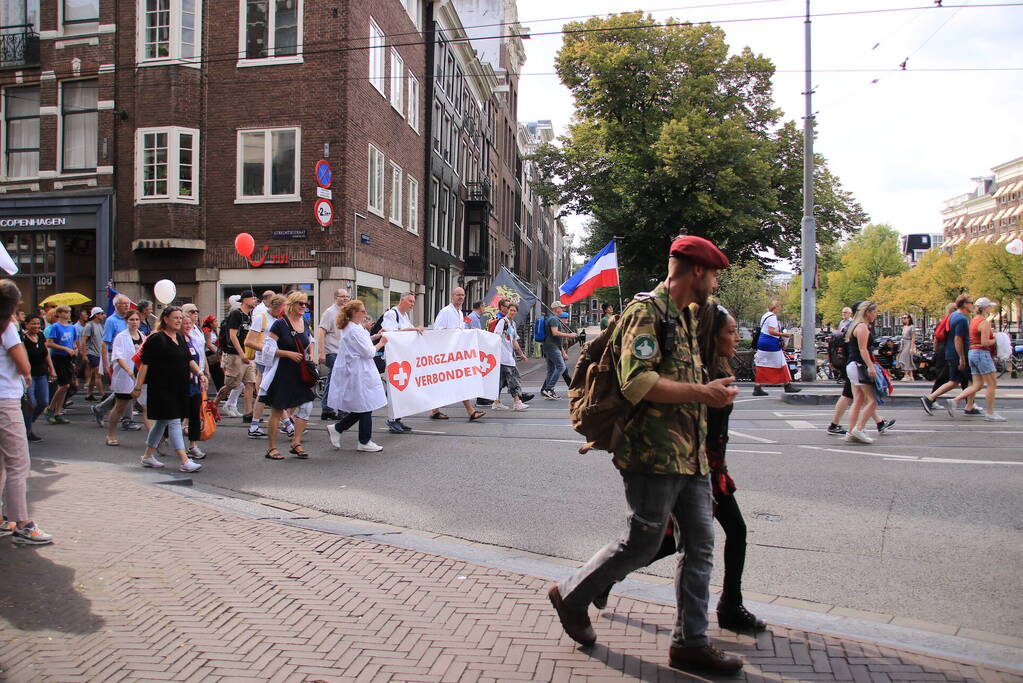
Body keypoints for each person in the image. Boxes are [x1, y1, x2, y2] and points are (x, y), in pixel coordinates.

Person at [547, 236, 743, 673]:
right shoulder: (646, 314)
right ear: (696, 271)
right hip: (651, 453)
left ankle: (690, 643)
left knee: (701, 546)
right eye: (712, 274)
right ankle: (572, 594)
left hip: (688, 455)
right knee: (642, 542)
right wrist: (703, 393)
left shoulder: (689, 317)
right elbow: (637, 383)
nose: (714, 283)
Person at [0, 279, 53, 545]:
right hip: (6, 399)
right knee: (18, 463)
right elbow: (23, 364)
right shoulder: (7, 328)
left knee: (1, 462)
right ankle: (21, 522)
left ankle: (1, 519)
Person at [132, 306, 203, 472]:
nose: (179, 320)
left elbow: (188, 359)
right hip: (161, 387)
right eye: (175, 318)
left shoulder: (179, 336)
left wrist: (200, 373)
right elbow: (145, 364)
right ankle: (184, 461)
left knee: (162, 422)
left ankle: (148, 456)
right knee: (173, 421)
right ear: (165, 319)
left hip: (179, 386)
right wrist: (137, 387)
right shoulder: (156, 338)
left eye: (180, 318)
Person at [259, 291, 317, 460]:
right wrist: (287, 353)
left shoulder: (304, 323)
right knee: (278, 409)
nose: (304, 307)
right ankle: (271, 448)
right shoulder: (279, 324)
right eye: (301, 303)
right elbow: (267, 349)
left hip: (300, 372)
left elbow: (310, 341)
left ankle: (296, 442)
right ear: (292, 304)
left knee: (306, 406)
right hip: (282, 371)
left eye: (306, 304)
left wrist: (310, 354)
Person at [327, 299, 387, 452]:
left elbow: (364, 341)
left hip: (359, 370)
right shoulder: (353, 330)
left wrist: (376, 336)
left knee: (364, 406)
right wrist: (382, 343)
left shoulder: (353, 326)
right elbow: (368, 352)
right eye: (362, 311)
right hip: (358, 372)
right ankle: (363, 440)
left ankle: (339, 428)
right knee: (366, 405)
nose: (365, 313)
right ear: (354, 313)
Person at [431, 287, 485, 422]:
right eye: (458, 295)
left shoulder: (460, 313)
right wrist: (452, 332)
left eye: (462, 295)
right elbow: (437, 330)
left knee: (450, 381)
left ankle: (435, 410)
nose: (460, 297)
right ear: (452, 296)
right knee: (457, 380)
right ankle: (470, 411)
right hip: (446, 353)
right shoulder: (445, 312)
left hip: (456, 353)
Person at [948, 297, 1005, 422]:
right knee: (992, 384)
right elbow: (985, 342)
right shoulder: (984, 322)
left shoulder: (973, 320)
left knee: (977, 384)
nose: (991, 308)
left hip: (972, 353)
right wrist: (997, 340)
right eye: (989, 306)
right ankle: (990, 413)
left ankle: (954, 401)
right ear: (985, 308)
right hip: (981, 354)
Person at [93, 295, 142, 431]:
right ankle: (126, 420)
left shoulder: (136, 326)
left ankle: (100, 408)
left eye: (128, 303)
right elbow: (105, 343)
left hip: (132, 359)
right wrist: (106, 363)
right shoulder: (111, 321)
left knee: (125, 391)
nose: (127, 306)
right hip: (116, 356)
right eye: (123, 304)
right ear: (116, 305)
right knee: (125, 390)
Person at [921, 295, 974, 416]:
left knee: (955, 381)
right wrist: (962, 357)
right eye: (971, 303)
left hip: (950, 352)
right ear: (965, 304)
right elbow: (958, 339)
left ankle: (930, 399)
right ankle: (964, 405)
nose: (973, 305)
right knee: (973, 381)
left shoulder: (952, 317)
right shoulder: (962, 319)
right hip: (959, 354)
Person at [379, 292, 423, 433]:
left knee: (401, 389)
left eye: (413, 302)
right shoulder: (391, 314)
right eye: (410, 301)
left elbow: (408, 333)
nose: (412, 304)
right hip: (393, 359)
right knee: (394, 389)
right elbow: (390, 333)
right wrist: (414, 329)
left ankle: (398, 418)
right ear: (402, 300)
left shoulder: (405, 315)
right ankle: (392, 419)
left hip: (402, 358)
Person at [245, 294, 286, 438]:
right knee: (266, 392)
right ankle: (286, 424)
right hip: (264, 360)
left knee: (271, 392)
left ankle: (285, 424)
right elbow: (248, 341)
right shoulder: (261, 318)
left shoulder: (278, 319)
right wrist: (267, 349)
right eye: (284, 307)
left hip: (275, 359)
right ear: (278, 307)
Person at [106, 310, 145, 448]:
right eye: (132, 320)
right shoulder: (121, 337)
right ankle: (110, 435)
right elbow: (119, 356)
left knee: (146, 407)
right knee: (119, 407)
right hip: (125, 376)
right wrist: (128, 371)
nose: (135, 322)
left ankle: (155, 439)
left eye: (137, 320)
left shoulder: (143, 336)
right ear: (126, 321)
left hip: (139, 376)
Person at [843, 300, 879, 444]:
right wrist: (871, 367)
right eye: (875, 312)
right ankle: (860, 427)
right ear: (868, 312)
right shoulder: (863, 327)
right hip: (859, 366)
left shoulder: (854, 326)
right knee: (872, 400)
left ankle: (851, 430)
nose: (875, 315)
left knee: (858, 400)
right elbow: (863, 349)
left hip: (852, 365)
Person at [216, 290, 256, 419]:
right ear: (245, 300)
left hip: (247, 355)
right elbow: (232, 336)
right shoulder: (236, 314)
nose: (254, 301)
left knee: (250, 382)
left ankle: (248, 412)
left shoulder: (249, 315)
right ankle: (214, 404)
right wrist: (241, 353)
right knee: (232, 384)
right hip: (235, 354)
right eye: (252, 298)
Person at [20, 314, 55, 443]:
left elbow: (46, 354)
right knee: (31, 403)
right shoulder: (23, 339)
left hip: (41, 374)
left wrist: (52, 369)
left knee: (44, 402)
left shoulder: (40, 336)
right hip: (29, 375)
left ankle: (26, 423)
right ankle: (28, 430)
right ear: (27, 324)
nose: (36, 326)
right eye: (33, 323)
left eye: (38, 324)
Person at [316, 288, 350, 420]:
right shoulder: (330, 312)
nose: (346, 299)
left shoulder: (345, 312)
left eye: (347, 296)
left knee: (334, 380)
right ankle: (335, 409)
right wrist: (322, 352)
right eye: (343, 296)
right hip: (332, 351)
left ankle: (328, 409)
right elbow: (322, 332)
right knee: (337, 380)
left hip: (342, 352)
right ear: (336, 298)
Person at [752, 301, 799, 396]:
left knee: (762, 364)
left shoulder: (765, 315)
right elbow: (771, 331)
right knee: (781, 363)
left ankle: (757, 387)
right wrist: (784, 334)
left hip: (762, 342)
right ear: (775, 307)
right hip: (771, 343)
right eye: (779, 307)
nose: (780, 309)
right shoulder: (773, 317)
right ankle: (787, 385)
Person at [181, 311, 210, 459]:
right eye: (184, 323)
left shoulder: (191, 338)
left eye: (189, 323)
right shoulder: (177, 339)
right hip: (181, 382)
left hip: (194, 381)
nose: (187, 326)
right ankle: (164, 439)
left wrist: (202, 373)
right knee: (177, 415)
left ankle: (192, 445)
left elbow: (196, 358)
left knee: (194, 414)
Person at [540, 302, 582, 400]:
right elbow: (555, 333)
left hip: (549, 347)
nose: (563, 309)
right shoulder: (554, 319)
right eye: (561, 308)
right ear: (556, 308)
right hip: (552, 347)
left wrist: (562, 351)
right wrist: (569, 335)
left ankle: (546, 390)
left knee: (551, 370)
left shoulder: (552, 318)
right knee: (561, 367)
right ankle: (549, 388)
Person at [44, 305, 79, 424]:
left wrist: (75, 348)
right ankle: (50, 408)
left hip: (68, 358)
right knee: (63, 385)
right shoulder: (55, 327)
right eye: (66, 312)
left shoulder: (72, 327)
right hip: (58, 357)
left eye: (69, 311)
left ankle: (58, 412)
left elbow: (74, 341)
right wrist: (65, 348)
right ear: (58, 313)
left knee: (67, 386)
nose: (68, 313)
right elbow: (49, 343)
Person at [492, 303, 530, 411]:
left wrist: (521, 353)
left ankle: (496, 402)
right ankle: (517, 402)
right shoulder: (502, 322)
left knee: (500, 381)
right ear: (507, 310)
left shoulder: (512, 324)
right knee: (514, 378)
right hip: (504, 357)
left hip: (508, 357)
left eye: (514, 311)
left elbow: (514, 341)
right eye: (511, 310)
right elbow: (496, 336)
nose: (512, 312)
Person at [81, 306, 106, 400]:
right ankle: (103, 395)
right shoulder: (89, 325)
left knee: (93, 375)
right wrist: (84, 354)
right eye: (102, 314)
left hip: (98, 353)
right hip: (92, 353)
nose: (104, 315)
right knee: (98, 374)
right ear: (96, 315)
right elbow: (83, 340)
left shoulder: (100, 325)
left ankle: (89, 394)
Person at [896, 314, 917, 381]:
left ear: (909, 319)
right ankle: (911, 375)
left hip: (909, 343)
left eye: (905, 318)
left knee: (904, 358)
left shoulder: (912, 327)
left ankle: (906, 375)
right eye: (902, 318)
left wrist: (912, 347)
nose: (903, 319)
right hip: (904, 343)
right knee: (907, 359)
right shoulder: (904, 327)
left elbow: (913, 337)